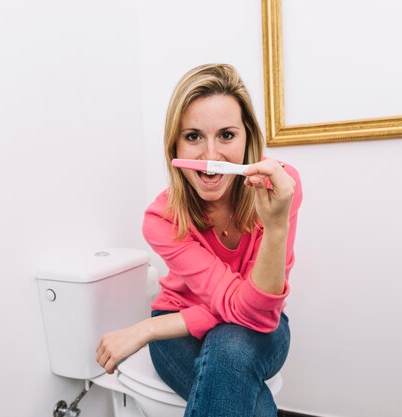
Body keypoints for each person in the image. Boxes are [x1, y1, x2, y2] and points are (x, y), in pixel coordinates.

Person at [96, 63, 302, 416]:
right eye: (193, 137)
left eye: (226, 135)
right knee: (239, 379)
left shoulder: (281, 188)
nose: (210, 159)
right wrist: (163, 324)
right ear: (174, 145)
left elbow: (257, 315)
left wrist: (148, 329)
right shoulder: (161, 219)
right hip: (178, 332)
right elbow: (239, 305)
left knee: (232, 343)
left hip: (256, 327)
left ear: (248, 138)